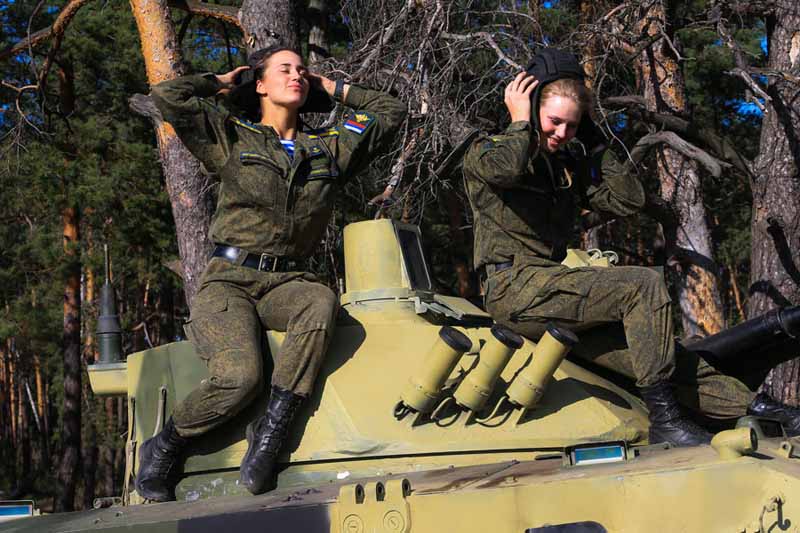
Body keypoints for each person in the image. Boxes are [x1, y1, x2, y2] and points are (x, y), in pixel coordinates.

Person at [463, 48, 800, 447]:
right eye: (554, 121)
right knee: (642, 285)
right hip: (514, 289)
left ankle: (770, 410)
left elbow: (628, 200)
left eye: (572, 126)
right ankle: (666, 420)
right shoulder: (486, 152)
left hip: (555, 295)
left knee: (657, 350)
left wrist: (596, 143)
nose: (561, 134)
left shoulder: (564, 166)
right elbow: (507, 169)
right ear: (530, 104)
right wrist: (520, 120)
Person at [135, 46, 407, 501]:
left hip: (288, 281)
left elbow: (392, 110)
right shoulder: (232, 135)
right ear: (259, 84)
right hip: (231, 279)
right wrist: (221, 81)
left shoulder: (327, 147)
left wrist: (330, 86)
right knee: (240, 377)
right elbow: (168, 96)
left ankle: (271, 433)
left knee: (319, 301)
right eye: (285, 69)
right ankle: (167, 444)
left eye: (303, 70)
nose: (297, 75)